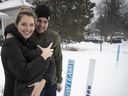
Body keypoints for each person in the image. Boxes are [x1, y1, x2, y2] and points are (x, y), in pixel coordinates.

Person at [1, 8, 54, 96]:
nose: (28, 28)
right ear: (17, 24)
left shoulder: (28, 40)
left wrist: (43, 82)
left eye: (31, 25)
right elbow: (24, 73)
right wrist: (43, 57)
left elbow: (50, 62)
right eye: (24, 24)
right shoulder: (10, 44)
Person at [33, 5, 63, 96]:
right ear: (35, 19)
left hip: (51, 82)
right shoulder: (29, 33)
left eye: (45, 22)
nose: (41, 25)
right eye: (39, 21)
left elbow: (58, 58)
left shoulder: (54, 36)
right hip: (36, 82)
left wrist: (59, 80)